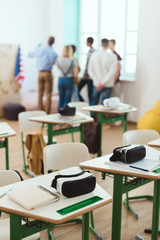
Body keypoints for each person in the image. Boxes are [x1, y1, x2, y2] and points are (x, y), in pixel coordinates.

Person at [28, 36, 58, 114]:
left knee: (40, 94)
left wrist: (36, 48)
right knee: (48, 94)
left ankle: (39, 112)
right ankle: (47, 113)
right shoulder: (54, 53)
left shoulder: (41, 49)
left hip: (40, 73)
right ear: (53, 43)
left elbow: (30, 54)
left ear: (47, 41)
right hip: (48, 73)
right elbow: (55, 63)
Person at [88, 38, 117, 105]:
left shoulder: (94, 55)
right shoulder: (113, 56)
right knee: (105, 106)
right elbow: (112, 72)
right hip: (107, 84)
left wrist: (98, 82)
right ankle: (102, 116)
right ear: (108, 45)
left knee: (93, 105)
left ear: (101, 44)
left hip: (96, 84)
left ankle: (92, 116)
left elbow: (90, 70)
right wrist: (103, 83)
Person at [56, 45, 78, 110]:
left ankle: (59, 115)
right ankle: (66, 115)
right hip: (69, 80)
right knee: (67, 100)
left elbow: (58, 68)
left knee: (61, 99)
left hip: (61, 79)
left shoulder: (58, 59)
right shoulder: (73, 60)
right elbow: (75, 74)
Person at [78, 37, 95, 105]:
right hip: (86, 75)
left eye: (86, 41)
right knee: (78, 90)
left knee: (90, 95)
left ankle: (90, 109)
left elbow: (89, 65)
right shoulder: (89, 51)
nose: (85, 43)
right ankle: (84, 104)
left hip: (89, 76)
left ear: (88, 42)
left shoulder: (93, 52)